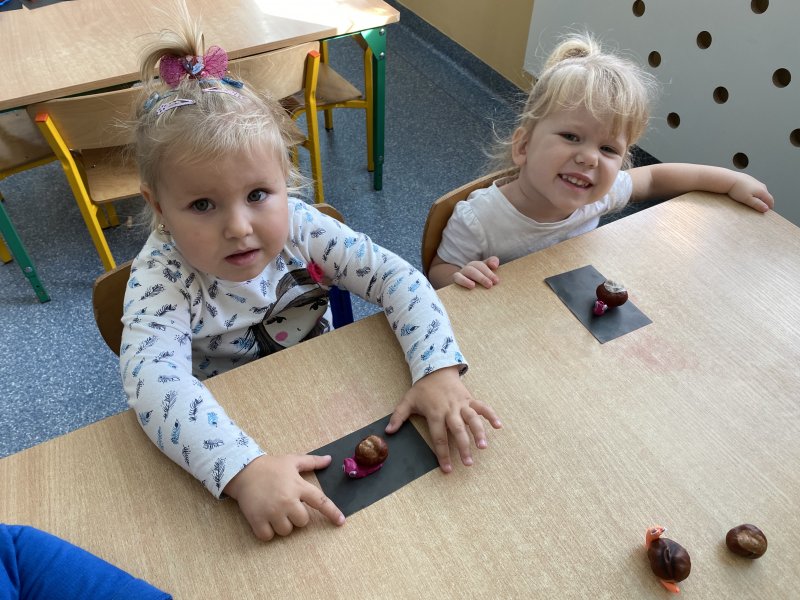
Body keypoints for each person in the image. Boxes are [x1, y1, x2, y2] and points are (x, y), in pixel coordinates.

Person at [119, 14, 501, 542]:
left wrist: (436, 369)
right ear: (159, 207)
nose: (239, 227)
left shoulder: (301, 226)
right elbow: (154, 385)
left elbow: (396, 278)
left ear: (286, 179)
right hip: (223, 419)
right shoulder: (162, 277)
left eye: (258, 195)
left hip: (322, 392)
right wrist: (241, 470)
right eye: (203, 204)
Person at [428, 33, 774, 290]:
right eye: (571, 136)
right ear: (524, 146)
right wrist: (459, 276)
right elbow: (438, 270)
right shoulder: (479, 219)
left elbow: (655, 178)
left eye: (608, 149)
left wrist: (731, 181)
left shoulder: (600, 194)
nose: (590, 158)